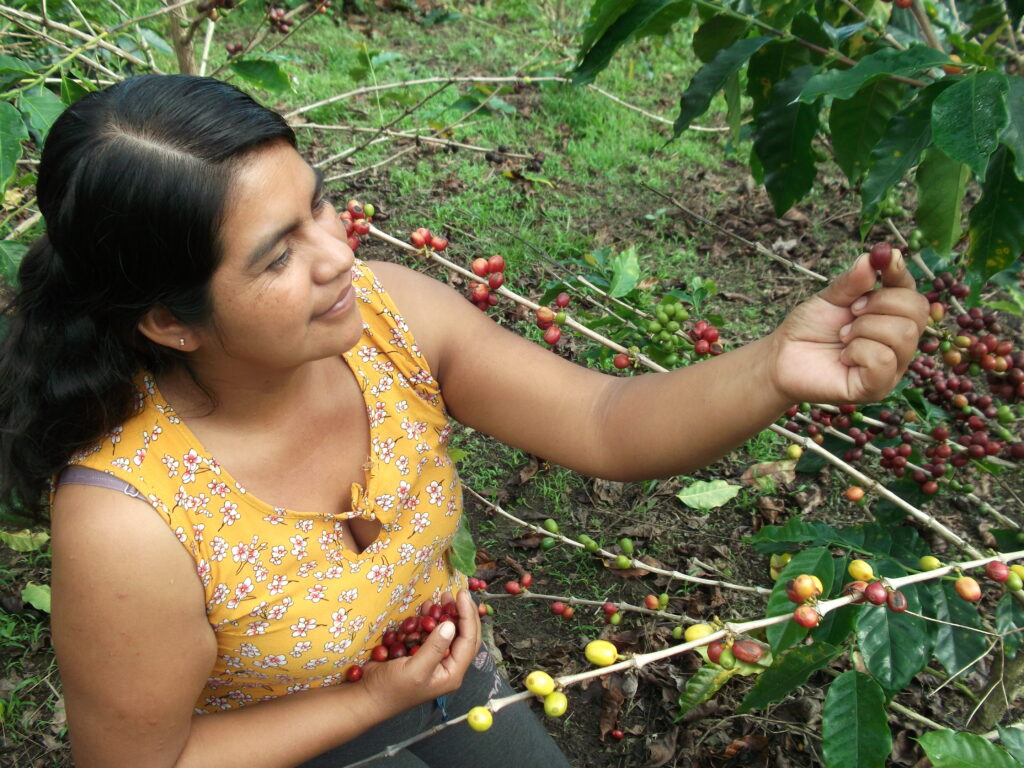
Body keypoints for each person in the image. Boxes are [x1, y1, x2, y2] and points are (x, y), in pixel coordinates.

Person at [0, 74, 928, 767]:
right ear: (170, 320)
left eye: (319, 204)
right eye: (279, 257)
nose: (338, 254)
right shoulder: (128, 520)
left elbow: (607, 422)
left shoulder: (394, 320)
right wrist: (371, 704)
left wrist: (775, 367)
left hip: (433, 674)